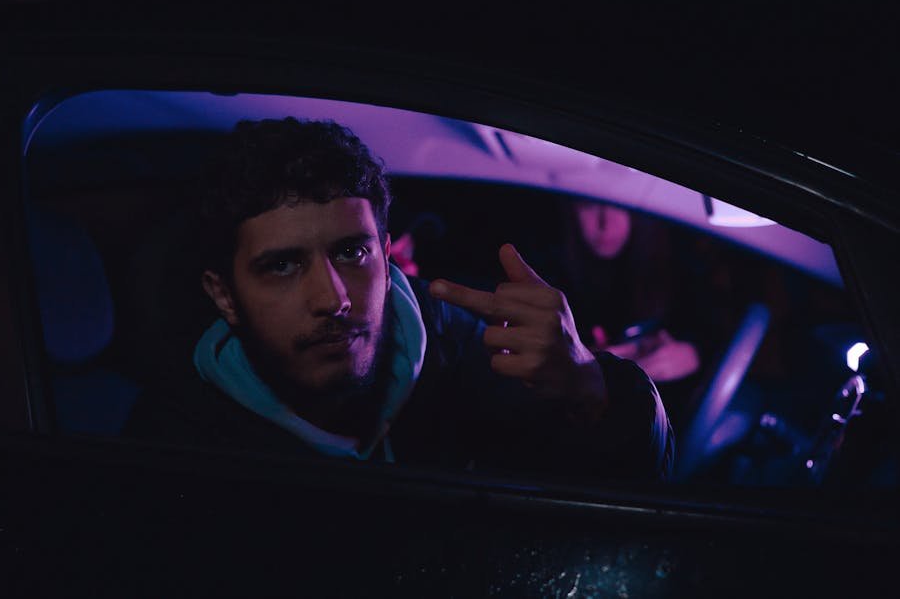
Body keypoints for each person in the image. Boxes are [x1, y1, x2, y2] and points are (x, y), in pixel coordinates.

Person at [124, 118, 674, 481]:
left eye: (352, 254)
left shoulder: (469, 353)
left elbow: (636, 501)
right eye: (283, 266)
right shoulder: (174, 447)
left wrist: (592, 387)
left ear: (387, 256)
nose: (332, 297)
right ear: (224, 295)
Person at [567, 200, 701, 384]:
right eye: (590, 204)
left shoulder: (673, 262)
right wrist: (586, 360)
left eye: (618, 204)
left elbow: (709, 329)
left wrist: (690, 354)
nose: (605, 223)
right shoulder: (550, 270)